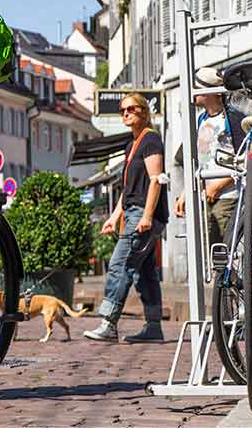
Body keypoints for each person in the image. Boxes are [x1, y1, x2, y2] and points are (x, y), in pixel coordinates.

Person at [84, 93, 168, 343]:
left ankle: (109, 323)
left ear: (144, 111)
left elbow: (156, 180)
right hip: (132, 212)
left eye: (131, 109)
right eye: (122, 110)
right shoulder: (131, 145)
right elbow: (127, 189)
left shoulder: (151, 139)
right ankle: (154, 327)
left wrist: (147, 216)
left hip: (142, 215)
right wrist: (113, 217)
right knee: (145, 273)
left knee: (120, 265)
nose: (126, 113)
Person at [174, 67, 245, 247]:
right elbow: (202, 160)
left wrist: (218, 185)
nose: (193, 93)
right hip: (207, 195)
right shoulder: (202, 120)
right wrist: (186, 193)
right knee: (208, 245)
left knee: (226, 246)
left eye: (197, 88)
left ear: (210, 92)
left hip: (228, 195)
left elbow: (244, 158)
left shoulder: (232, 118)